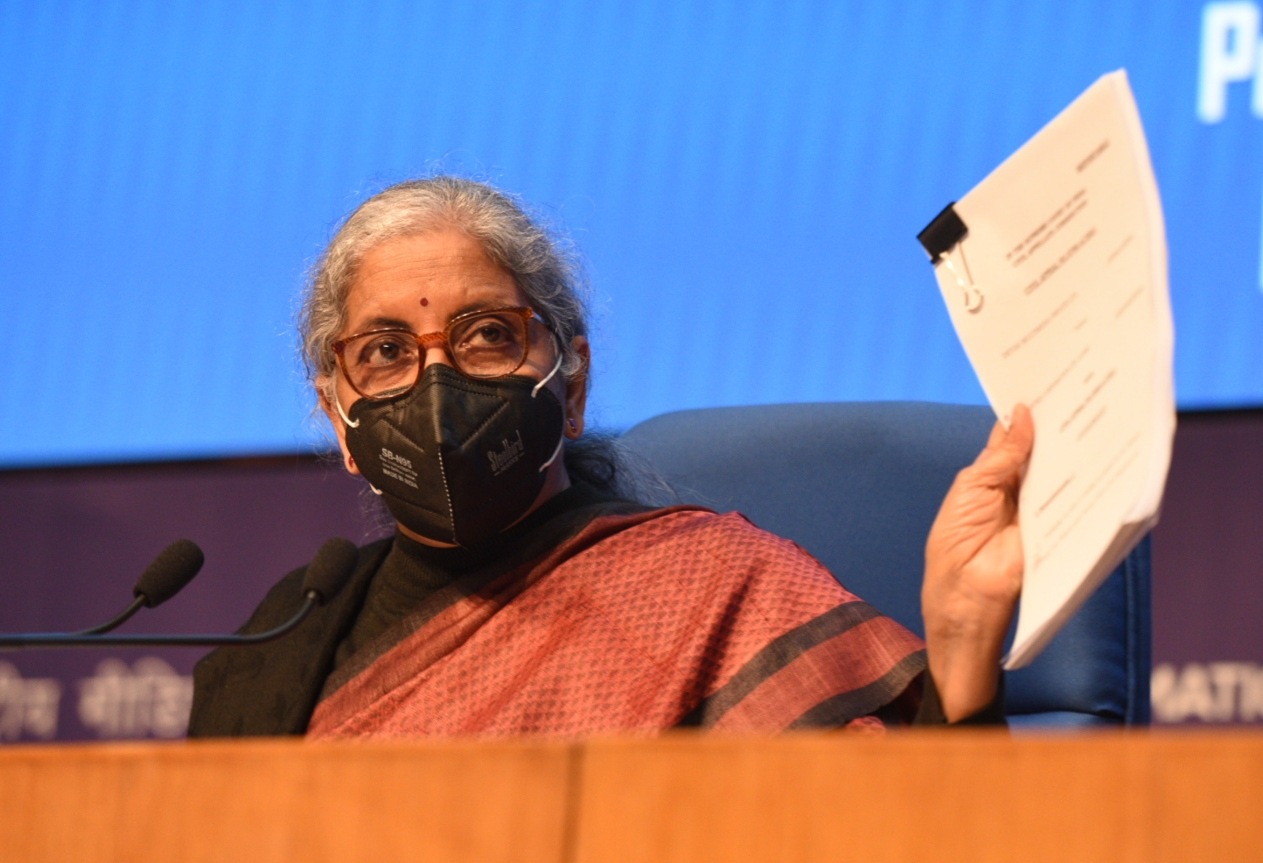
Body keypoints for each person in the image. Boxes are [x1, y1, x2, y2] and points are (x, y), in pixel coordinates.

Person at [188, 176, 1033, 738]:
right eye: (383, 351)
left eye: (486, 335)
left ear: (573, 381)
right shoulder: (276, 656)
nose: (434, 379)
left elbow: (906, 833)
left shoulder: (717, 589)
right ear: (340, 422)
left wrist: (961, 659)